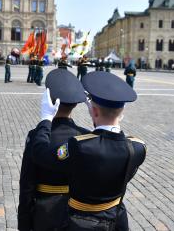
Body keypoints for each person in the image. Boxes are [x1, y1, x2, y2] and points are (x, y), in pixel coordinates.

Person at [29, 71, 146, 231]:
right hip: (116, 220)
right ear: (122, 111)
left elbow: (40, 153)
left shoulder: (80, 146)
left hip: (82, 222)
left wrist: (46, 119)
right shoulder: (138, 147)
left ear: (94, 111)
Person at [18, 69, 89, 231]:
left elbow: (27, 184)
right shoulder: (85, 136)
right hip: (77, 213)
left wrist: (24, 223)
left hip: (44, 212)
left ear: (49, 100)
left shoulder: (37, 136)